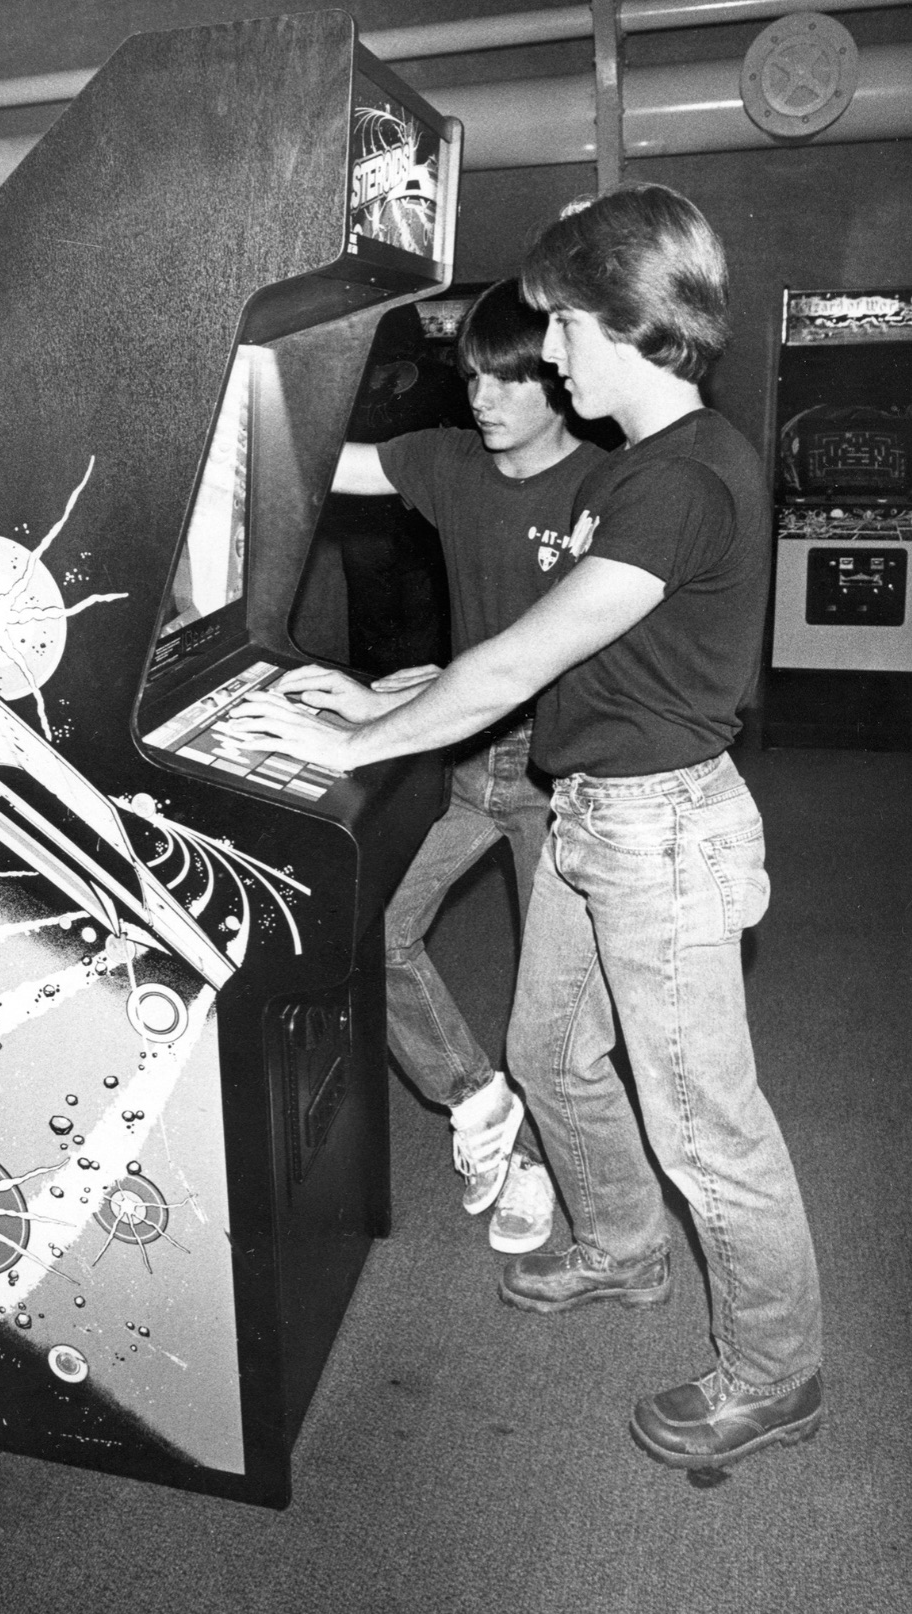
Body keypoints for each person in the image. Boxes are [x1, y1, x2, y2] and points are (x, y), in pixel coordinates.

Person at [219, 185, 823, 1472]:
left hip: (660, 835)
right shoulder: (658, 465)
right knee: (549, 1055)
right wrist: (384, 691)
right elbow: (546, 665)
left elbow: (517, 666)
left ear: (625, 320)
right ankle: (622, 1246)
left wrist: (355, 739)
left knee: (710, 1128)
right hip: (601, 819)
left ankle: (777, 1375)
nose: (543, 356)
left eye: (560, 329)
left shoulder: (678, 479)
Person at [329, 280, 606, 1254]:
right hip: (465, 759)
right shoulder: (451, 463)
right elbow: (320, 464)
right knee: (370, 931)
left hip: (564, 773)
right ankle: (482, 1110)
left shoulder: (609, 489)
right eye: (472, 379)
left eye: (507, 381)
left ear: (561, 379)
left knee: (560, 1017)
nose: (482, 400)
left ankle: (596, 1216)